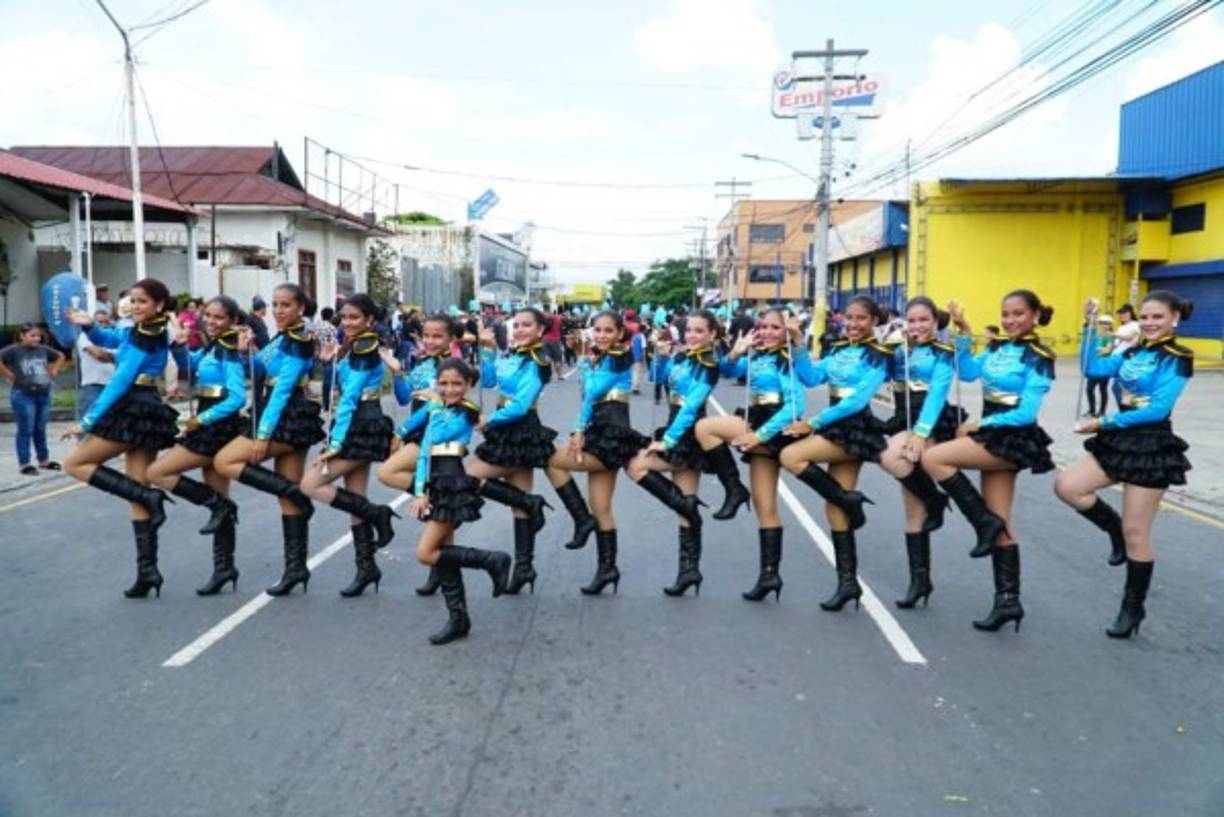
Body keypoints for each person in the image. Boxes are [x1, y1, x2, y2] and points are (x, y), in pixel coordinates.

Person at [1054, 291, 1194, 638]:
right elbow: (1092, 369)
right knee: (1068, 486)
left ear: (1175, 318)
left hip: (1151, 444)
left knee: (1137, 533)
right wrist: (1089, 327)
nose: (1149, 323)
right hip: (1119, 440)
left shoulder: (1177, 357)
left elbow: (1158, 409)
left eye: (1157, 317)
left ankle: (1132, 609)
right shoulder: (1131, 353)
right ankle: (1112, 529)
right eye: (1144, 317)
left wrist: (1103, 422)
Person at [923, 290, 1057, 633]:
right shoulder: (997, 347)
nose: (1010, 320)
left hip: (1012, 437)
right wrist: (964, 332)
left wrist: (981, 423)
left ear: (1035, 315)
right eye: (1006, 314)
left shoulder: (1040, 356)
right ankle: (1008, 601)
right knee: (1002, 520)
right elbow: (968, 373)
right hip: (992, 435)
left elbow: (1026, 413)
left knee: (934, 458)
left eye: (1018, 314)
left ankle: (982, 522)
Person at [61, 280, 181, 598]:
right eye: (132, 300)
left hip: (133, 405)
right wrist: (89, 325)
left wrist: (87, 422)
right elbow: (112, 338)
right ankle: (148, 572)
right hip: (146, 407)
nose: (135, 306)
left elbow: (120, 381)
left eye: (142, 301)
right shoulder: (141, 329)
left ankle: (151, 499)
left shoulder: (148, 334)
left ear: (159, 304)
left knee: (74, 463)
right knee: (136, 488)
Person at [779, 296, 892, 612]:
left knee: (791, 456)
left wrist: (812, 423)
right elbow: (812, 378)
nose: (853, 324)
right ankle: (848, 584)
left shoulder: (879, 355)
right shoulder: (839, 350)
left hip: (854, 428)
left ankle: (850, 501)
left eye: (861, 318)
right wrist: (798, 343)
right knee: (834, 509)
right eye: (849, 318)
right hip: (834, 427)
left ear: (874, 321)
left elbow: (856, 401)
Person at [213, 284, 324, 596]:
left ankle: (300, 498)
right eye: (275, 304)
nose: (278, 310)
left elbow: (282, 389)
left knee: (225, 460)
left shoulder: (299, 340)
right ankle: (295, 569)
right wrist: (243, 350)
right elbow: (261, 366)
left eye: (285, 305)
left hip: (286, 416)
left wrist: (262, 435)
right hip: (280, 414)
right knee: (285, 496)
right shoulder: (282, 337)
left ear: (300, 307)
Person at [694, 308, 804, 602]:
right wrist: (735, 352)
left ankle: (734, 490)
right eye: (763, 327)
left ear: (787, 331)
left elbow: (796, 406)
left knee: (706, 428)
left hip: (774, 427)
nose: (767, 332)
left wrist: (759, 435)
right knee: (764, 506)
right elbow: (728, 371)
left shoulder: (787, 358)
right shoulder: (758, 356)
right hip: (757, 422)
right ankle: (770, 575)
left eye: (775, 328)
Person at [145, 296, 249, 595]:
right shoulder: (214, 345)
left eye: (219, 317)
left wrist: (202, 420)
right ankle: (224, 567)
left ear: (232, 321)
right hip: (208, 422)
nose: (212, 322)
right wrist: (179, 345)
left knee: (157, 472)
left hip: (215, 426)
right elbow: (191, 364)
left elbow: (237, 397)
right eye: (209, 316)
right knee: (219, 496)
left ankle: (220, 507)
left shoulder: (228, 349)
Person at [544, 310, 652, 594]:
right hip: (599, 435)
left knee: (550, 460)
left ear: (620, 333)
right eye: (598, 330)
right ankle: (607, 570)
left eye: (608, 331)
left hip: (611, 438)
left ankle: (581, 519)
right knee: (601, 507)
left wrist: (582, 359)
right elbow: (588, 400)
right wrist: (578, 430)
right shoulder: (602, 357)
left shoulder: (618, 357)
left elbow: (591, 390)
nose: (601, 335)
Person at [297, 294, 398, 597]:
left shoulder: (365, 348)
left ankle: (378, 514)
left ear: (370, 320)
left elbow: (350, 397)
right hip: (357, 422)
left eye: (355, 317)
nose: (347, 322)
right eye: (344, 317)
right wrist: (329, 361)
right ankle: (366, 568)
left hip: (361, 424)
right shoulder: (352, 345)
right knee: (355, 498)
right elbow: (341, 386)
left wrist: (336, 443)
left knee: (311, 483)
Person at [407, 358, 511, 644]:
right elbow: (423, 454)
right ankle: (459, 619)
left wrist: (434, 405)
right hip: (435, 484)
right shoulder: (438, 408)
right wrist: (420, 492)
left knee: (425, 552)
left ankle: (492, 560)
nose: (449, 389)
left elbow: (439, 435)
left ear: (468, 385)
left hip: (453, 483)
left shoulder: (466, 411)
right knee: (444, 553)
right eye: (443, 383)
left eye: (456, 384)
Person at [876, 297, 966, 609]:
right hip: (904, 421)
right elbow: (879, 373)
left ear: (935, 322)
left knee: (891, 457)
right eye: (911, 320)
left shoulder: (942, 351)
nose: (917, 326)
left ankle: (937, 500)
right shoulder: (899, 349)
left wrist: (921, 433)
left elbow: (937, 394)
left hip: (932, 422)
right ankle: (920, 581)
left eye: (923, 320)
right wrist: (888, 347)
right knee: (912, 508)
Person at [627, 309, 721, 596]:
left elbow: (691, 407)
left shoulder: (709, 364)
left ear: (712, 334)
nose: (692, 335)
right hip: (673, 429)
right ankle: (689, 571)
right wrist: (663, 356)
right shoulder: (682, 357)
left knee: (636, 465)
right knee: (683, 505)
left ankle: (689, 567)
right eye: (689, 330)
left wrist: (667, 441)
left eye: (699, 331)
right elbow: (658, 379)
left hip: (688, 434)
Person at [466, 308, 558, 595]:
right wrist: (488, 350)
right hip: (505, 428)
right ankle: (524, 568)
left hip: (520, 428)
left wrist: (489, 420)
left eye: (526, 325)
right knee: (519, 503)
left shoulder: (537, 361)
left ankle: (532, 504)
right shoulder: (514, 354)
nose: (519, 329)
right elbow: (489, 381)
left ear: (540, 330)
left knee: (466, 477)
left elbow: (519, 406)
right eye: (516, 325)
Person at [377, 313, 461, 596]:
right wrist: (396, 371)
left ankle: (431, 494)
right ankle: (442, 574)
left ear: (451, 339)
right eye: (427, 335)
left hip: (436, 437)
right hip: (418, 434)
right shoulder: (423, 363)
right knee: (442, 523)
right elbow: (404, 398)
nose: (430, 341)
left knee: (387, 472)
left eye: (438, 336)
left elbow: (433, 407)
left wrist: (401, 431)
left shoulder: (452, 369)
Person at [1, 324, 66, 475]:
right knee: (26, 429)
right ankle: (24, 463)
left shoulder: (43, 350)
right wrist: (8, 375)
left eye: (38, 336)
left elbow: (60, 356)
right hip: (24, 394)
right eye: (32, 336)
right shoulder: (14, 350)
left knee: (40, 428)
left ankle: (43, 459)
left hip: (43, 394)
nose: (36, 339)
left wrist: (54, 370)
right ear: (22, 336)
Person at [75, 310, 116, 422]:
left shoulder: (114, 338)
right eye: (100, 322)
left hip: (112, 385)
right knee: (89, 421)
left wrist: (106, 354)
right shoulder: (84, 336)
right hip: (93, 385)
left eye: (106, 322)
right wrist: (112, 356)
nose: (103, 325)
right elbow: (98, 354)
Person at [1085, 314, 1113, 417]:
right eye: (1101, 323)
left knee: (1103, 389)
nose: (1103, 325)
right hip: (1094, 365)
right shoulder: (1095, 335)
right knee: (1089, 388)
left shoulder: (1111, 336)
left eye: (1106, 323)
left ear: (1110, 325)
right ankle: (1091, 410)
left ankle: (1102, 411)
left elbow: (1108, 350)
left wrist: (1097, 351)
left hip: (1104, 366)